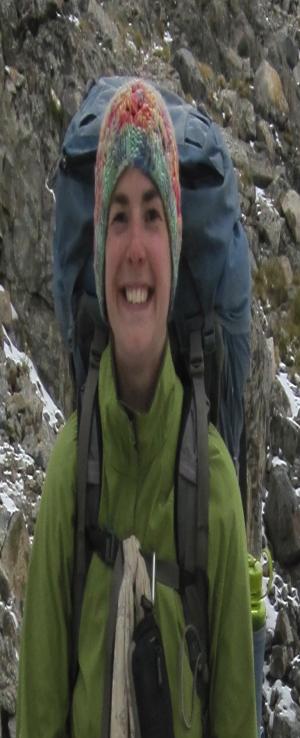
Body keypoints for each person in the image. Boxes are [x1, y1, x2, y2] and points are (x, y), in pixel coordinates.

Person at [17, 79, 257, 738]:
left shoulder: (212, 490)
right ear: (97, 254)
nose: (134, 248)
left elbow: (236, 719)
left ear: (176, 248)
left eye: (153, 214)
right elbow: (39, 712)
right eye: (117, 215)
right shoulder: (73, 472)